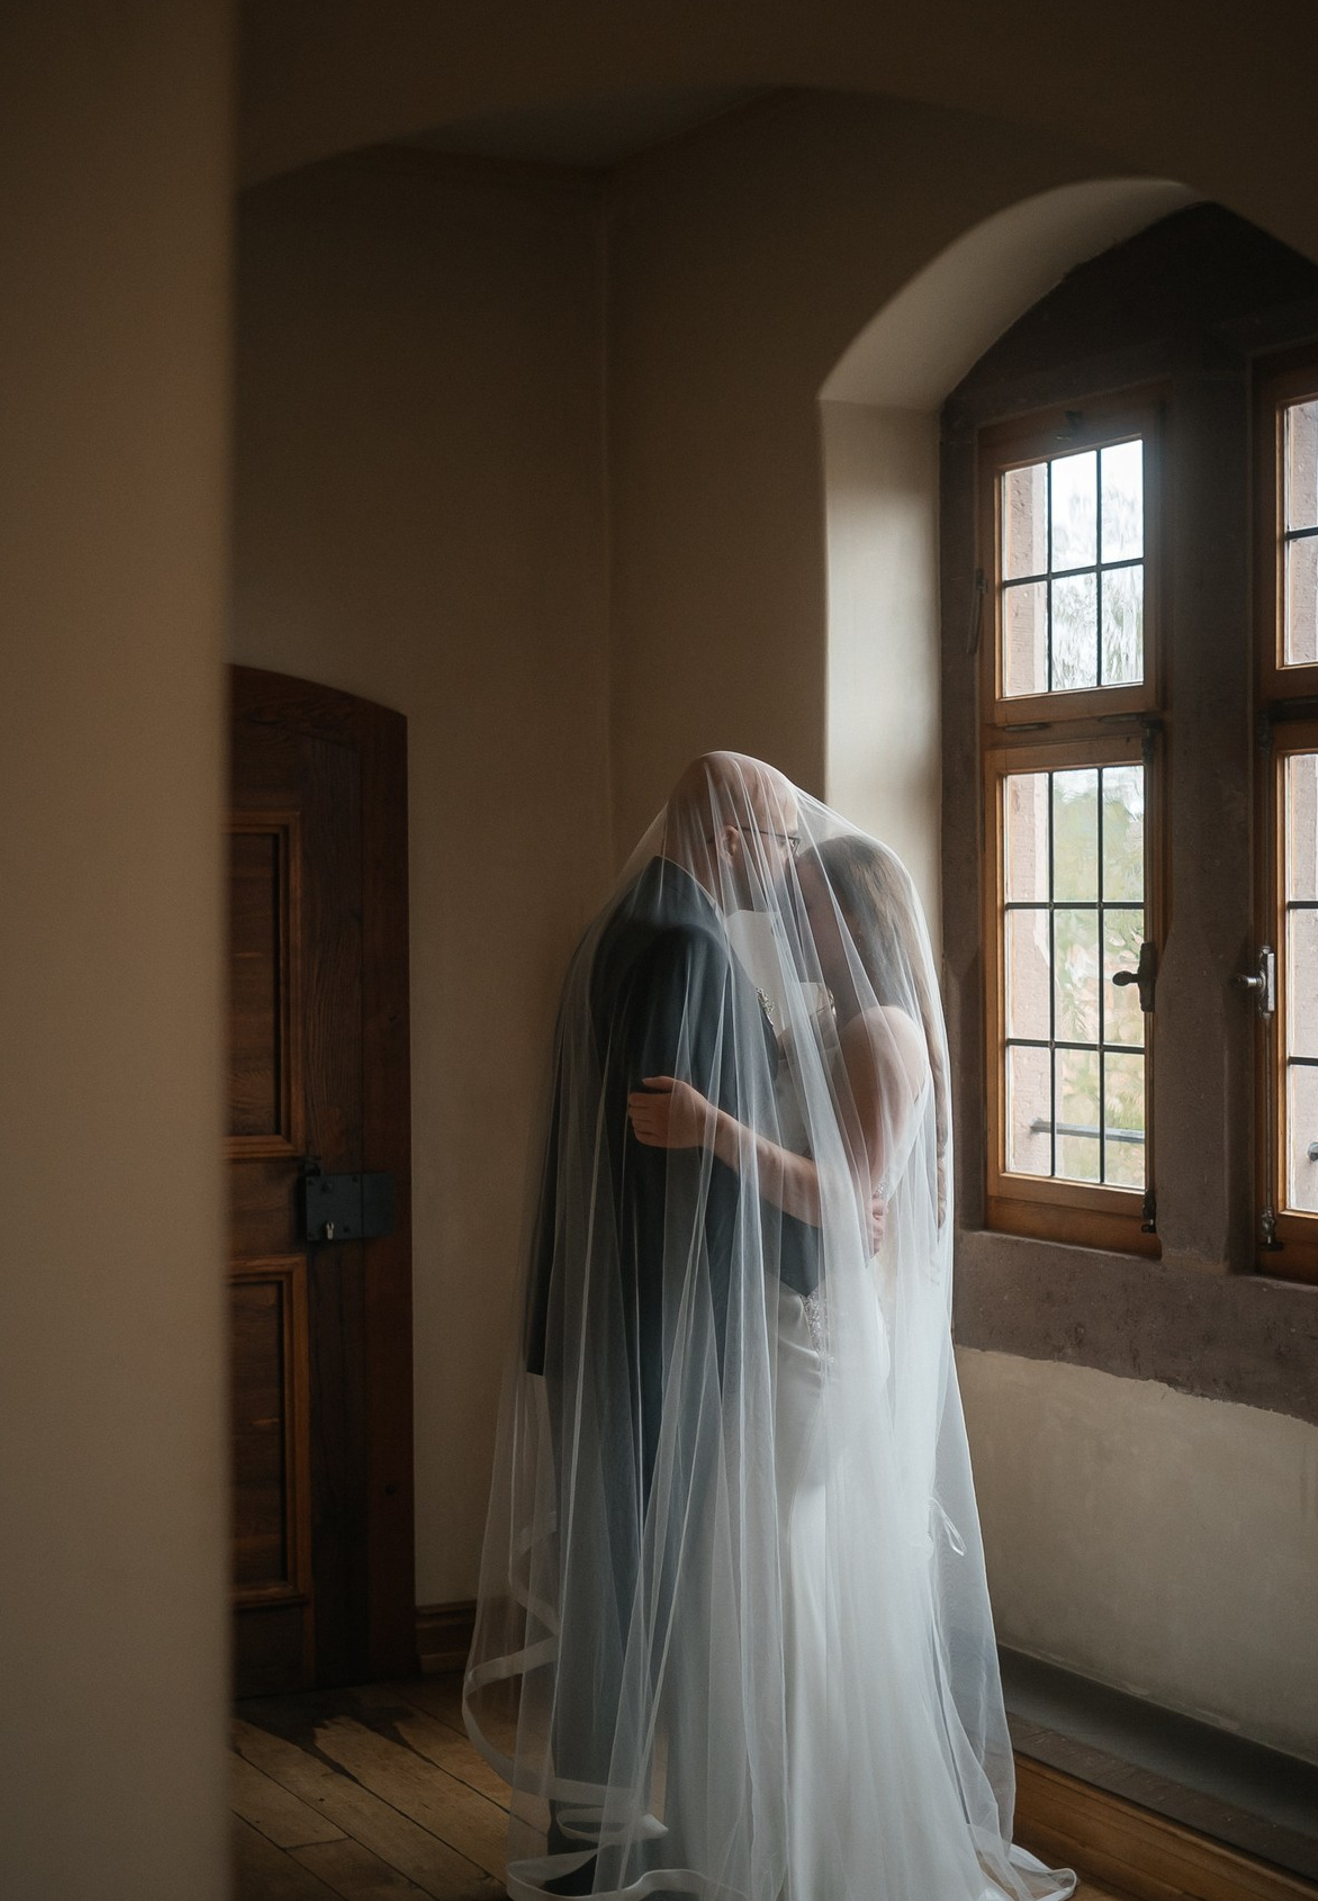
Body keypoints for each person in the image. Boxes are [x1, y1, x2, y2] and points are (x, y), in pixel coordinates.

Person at [465, 756, 1073, 1901]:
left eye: (809, 886)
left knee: (773, 1574)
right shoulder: (717, 964)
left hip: (804, 1333)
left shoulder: (855, 1023)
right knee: (739, 1581)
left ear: (851, 918)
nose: (788, 891)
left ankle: (787, 1834)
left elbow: (841, 1196)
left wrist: (726, 1137)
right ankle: (737, 1823)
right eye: (783, 856)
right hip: (718, 1322)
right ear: (737, 837)